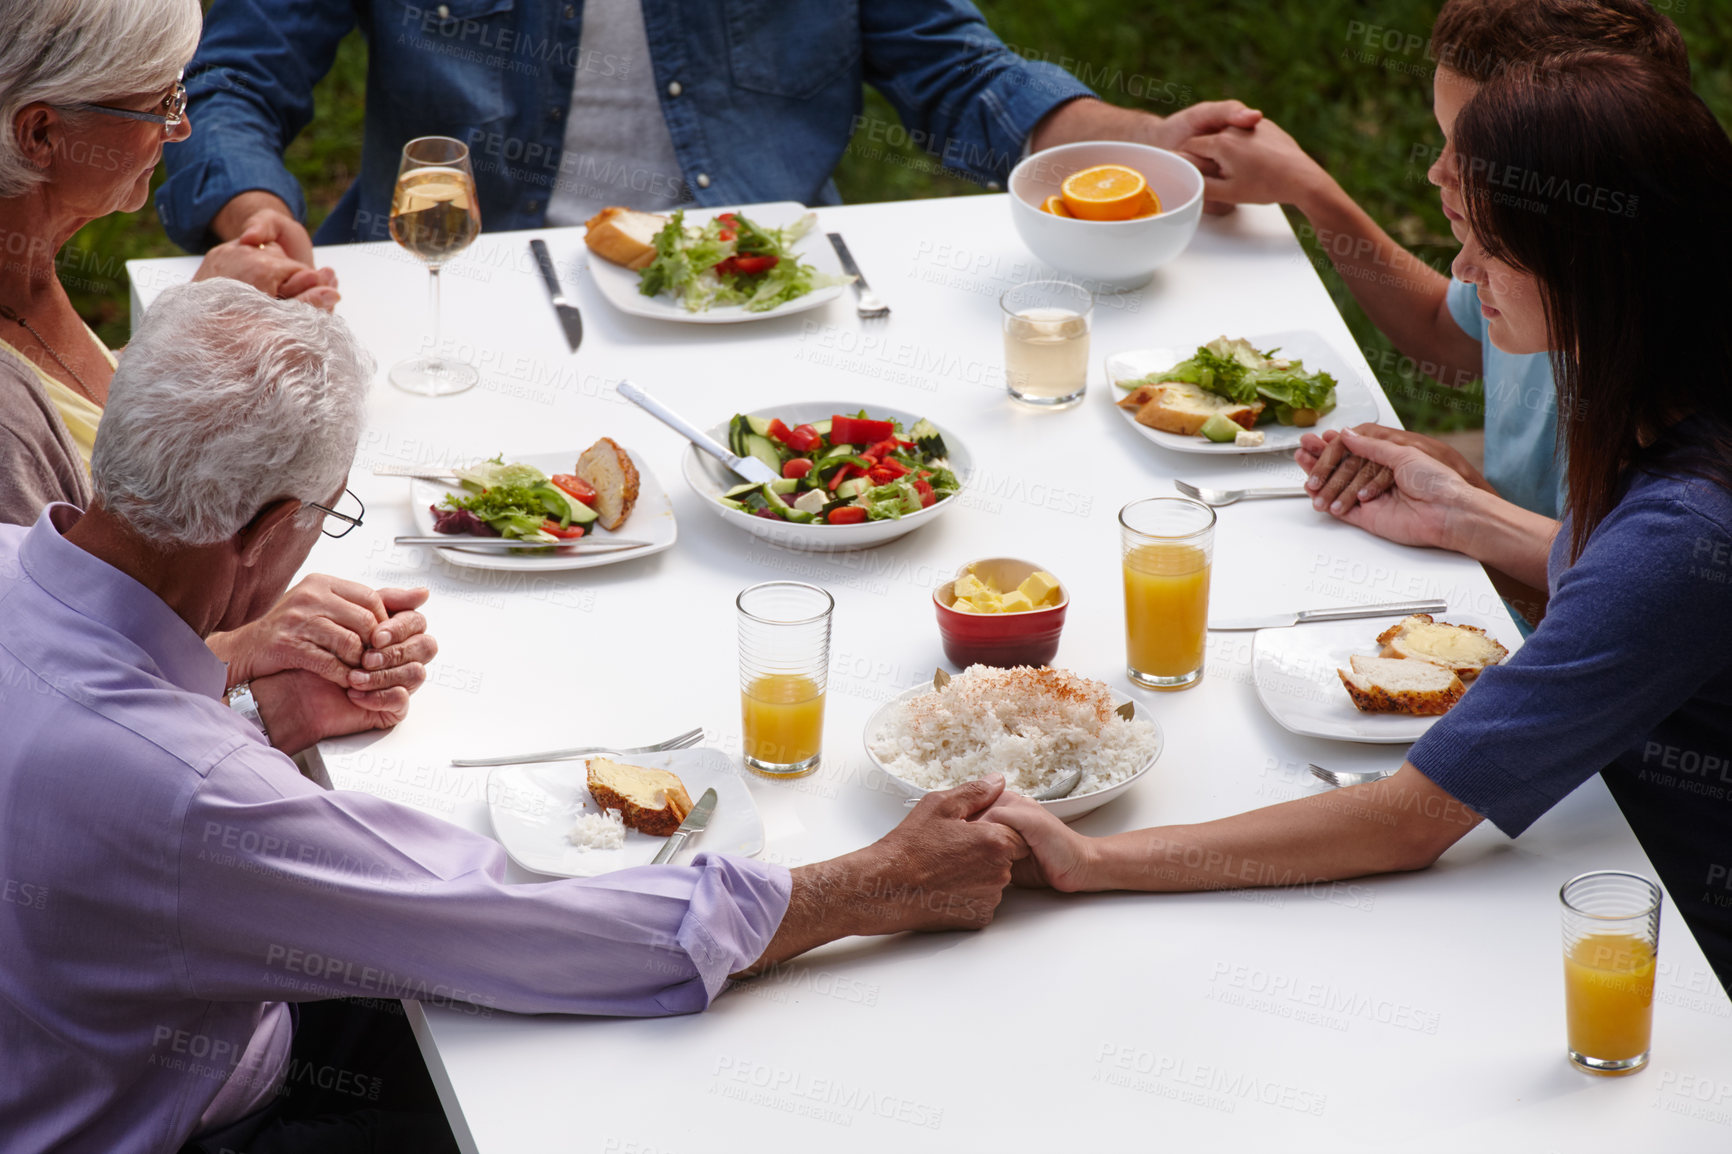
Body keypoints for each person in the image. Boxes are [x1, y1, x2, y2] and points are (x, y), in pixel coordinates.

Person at [0, 277, 1031, 1151]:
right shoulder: (193, 795)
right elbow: (524, 929)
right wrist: (877, 881)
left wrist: (257, 710)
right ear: (270, 531)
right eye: (329, 516)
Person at [983, 54, 1732, 993]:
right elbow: (1641, 600)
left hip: (1672, 933)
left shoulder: (1684, 522)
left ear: (1593, 264)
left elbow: (1408, 821)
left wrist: (1091, 861)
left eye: (1484, 247)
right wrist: (1465, 515)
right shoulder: (1680, 395)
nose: (1462, 271)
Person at [0, 0, 425, 746]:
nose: (181, 128)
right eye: (159, 102)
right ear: (40, 132)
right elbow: (45, 678)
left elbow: (79, 412)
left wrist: (200, 333)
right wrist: (241, 651)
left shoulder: (25, 267)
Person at [155, 0, 1262, 257]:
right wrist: (252, 217)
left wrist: (1139, 141)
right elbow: (225, 85)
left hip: (763, 283)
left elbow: (960, 76)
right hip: (470, 286)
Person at [1188, 0, 1690, 531]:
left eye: (1476, 153)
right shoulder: (1529, 274)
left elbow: (1620, 579)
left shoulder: (1674, 401)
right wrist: (1309, 192)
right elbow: (1445, 334)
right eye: (1445, 136)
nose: (1437, 171)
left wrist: (1469, 504)